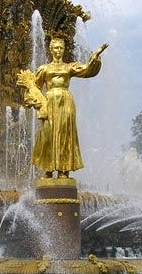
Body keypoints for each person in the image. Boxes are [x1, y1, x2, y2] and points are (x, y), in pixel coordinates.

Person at [18, 38, 108, 179]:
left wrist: (95, 56)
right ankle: (47, 169)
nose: (59, 50)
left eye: (61, 48)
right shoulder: (44, 68)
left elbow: (87, 70)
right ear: (51, 49)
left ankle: (63, 170)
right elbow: (33, 85)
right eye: (56, 48)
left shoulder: (69, 67)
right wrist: (36, 100)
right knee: (47, 134)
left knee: (65, 134)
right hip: (49, 103)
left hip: (66, 102)